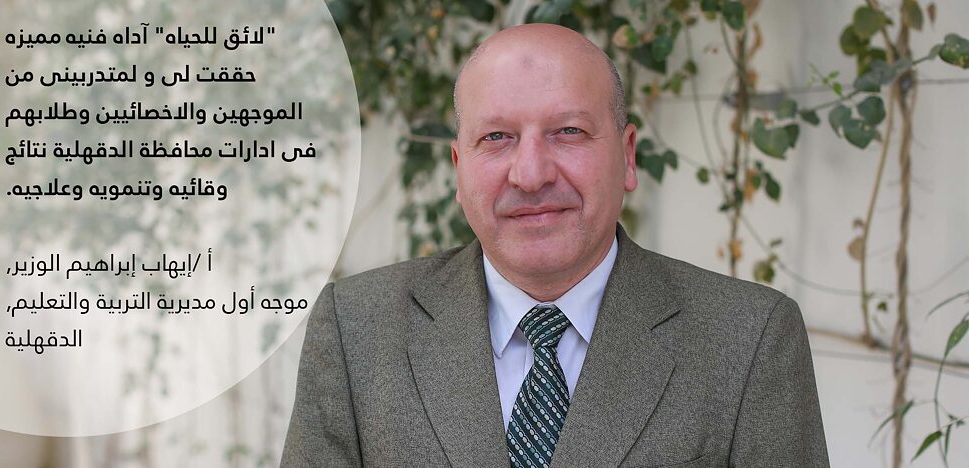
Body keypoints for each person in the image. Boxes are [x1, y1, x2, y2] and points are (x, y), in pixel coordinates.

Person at [281, 23, 829, 468]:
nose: (531, 174)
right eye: (497, 137)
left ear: (628, 156)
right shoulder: (357, 327)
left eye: (568, 131)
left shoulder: (750, 338)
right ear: (459, 168)